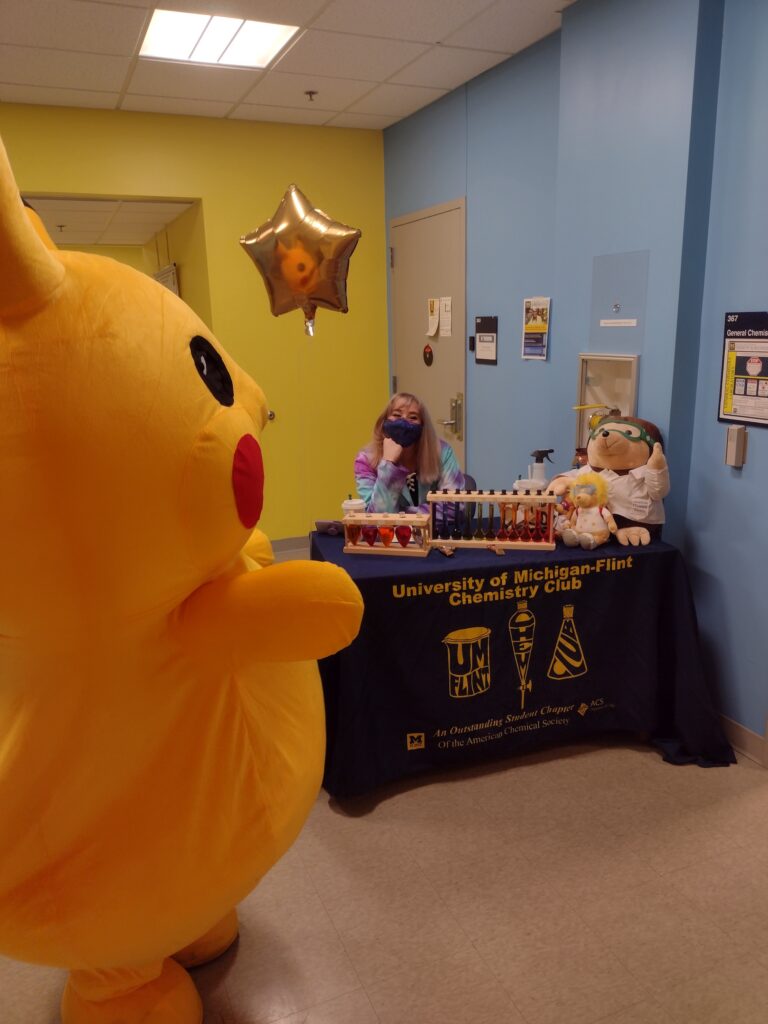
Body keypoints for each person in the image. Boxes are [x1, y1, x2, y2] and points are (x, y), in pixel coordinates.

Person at [354, 392, 464, 517]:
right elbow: (376, 519)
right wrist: (388, 465)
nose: (404, 422)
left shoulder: (442, 452)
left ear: (423, 426)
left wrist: (401, 515)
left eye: (413, 417)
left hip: (432, 533)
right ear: (384, 422)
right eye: (396, 415)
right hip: (388, 536)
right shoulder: (365, 460)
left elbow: (453, 508)